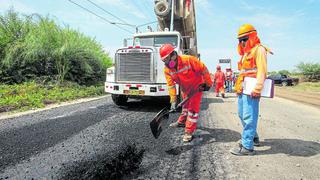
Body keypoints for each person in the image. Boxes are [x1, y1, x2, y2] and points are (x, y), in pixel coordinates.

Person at [230, 24, 273, 156]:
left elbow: (262, 70)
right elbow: (243, 73)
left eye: (245, 39)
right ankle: (253, 137)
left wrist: (258, 88)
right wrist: (238, 87)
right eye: (240, 40)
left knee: (249, 116)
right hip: (244, 89)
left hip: (252, 90)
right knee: (241, 114)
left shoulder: (259, 50)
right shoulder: (246, 54)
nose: (242, 42)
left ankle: (247, 146)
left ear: (252, 36)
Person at [159, 43, 213, 142]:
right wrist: (173, 101)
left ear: (173, 55)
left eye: (167, 59)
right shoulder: (167, 70)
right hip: (185, 88)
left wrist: (208, 83)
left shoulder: (188, 60)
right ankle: (182, 122)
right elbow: (171, 85)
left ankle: (189, 131)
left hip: (197, 86)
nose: (166, 63)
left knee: (192, 110)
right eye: (164, 60)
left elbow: (203, 69)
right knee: (185, 107)